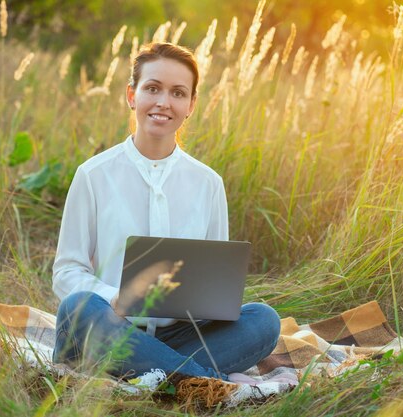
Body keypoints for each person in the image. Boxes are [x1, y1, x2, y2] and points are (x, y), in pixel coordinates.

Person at [52, 42, 280, 384]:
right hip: (108, 329)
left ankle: (162, 377)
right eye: (152, 88)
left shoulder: (208, 184)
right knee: (78, 306)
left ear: (191, 105)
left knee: (264, 321)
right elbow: (66, 272)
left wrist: (206, 303)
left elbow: (215, 287)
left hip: (180, 337)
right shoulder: (93, 175)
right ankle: (205, 382)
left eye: (177, 93)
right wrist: (114, 298)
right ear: (132, 95)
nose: (163, 102)